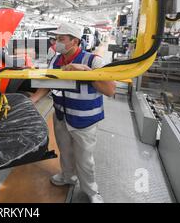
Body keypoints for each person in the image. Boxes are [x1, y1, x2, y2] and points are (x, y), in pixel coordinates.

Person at [30, 23, 116, 203]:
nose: (56, 43)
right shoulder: (56, 60)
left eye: (61, 39)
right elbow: (50, 83)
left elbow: (110, 90)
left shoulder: (93, 61)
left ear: (74, 41)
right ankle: (68, 176)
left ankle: (91, 191)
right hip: (61, 116)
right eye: (56, 39)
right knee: (66, 152)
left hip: (84, 119)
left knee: (85, 159)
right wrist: (35, 99)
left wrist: (86, 72)